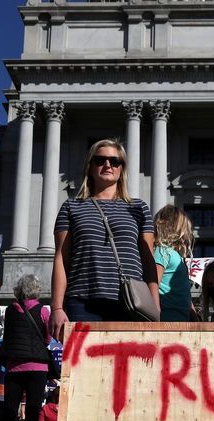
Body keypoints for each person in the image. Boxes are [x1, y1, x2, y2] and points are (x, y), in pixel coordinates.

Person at [49, 139, 159, 339]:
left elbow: (149, 261)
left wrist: (155, 307)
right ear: (90, 167)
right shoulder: (71, 207)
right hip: (82, 302)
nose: (108, 165)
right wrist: (56, 307)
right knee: (83, 369)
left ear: (121, 169)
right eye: (100, 160)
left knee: (128, 367)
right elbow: (61, 259)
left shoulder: (138, 207)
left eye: (114, 161)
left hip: (130, 303)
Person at [0, 275, 51, 421]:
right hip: (38, 368)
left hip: (14, 366)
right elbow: (48, 338)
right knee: (34, 406)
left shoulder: (11, 310)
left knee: (10, 406)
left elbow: (8, 336)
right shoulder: (43, 310)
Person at [153, 205, 194, 321]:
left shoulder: (175, 256)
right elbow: (154, 282)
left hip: (181, 319)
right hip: (167, 318)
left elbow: (184, 293)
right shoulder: (162, 252)